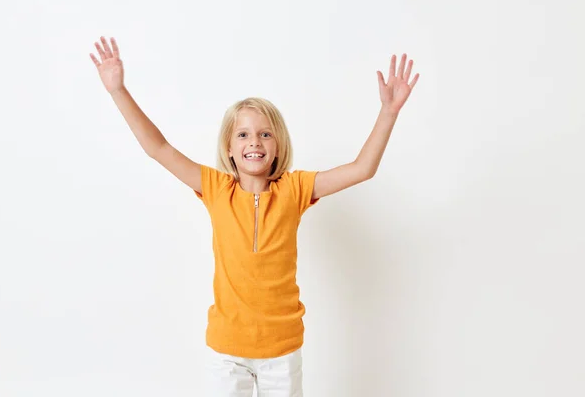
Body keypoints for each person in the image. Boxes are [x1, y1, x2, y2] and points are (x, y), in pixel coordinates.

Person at [90, 35, 419, 397]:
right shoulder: (216, 189)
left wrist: (388, 112)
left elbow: (362, 169)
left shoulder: (295, 189)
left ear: (278, 146)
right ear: (229, 149)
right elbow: (159, 148)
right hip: (227, 350)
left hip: (282, 349)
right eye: (243, 135)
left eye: (265, 134)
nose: (255, 142)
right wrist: (118, 91)